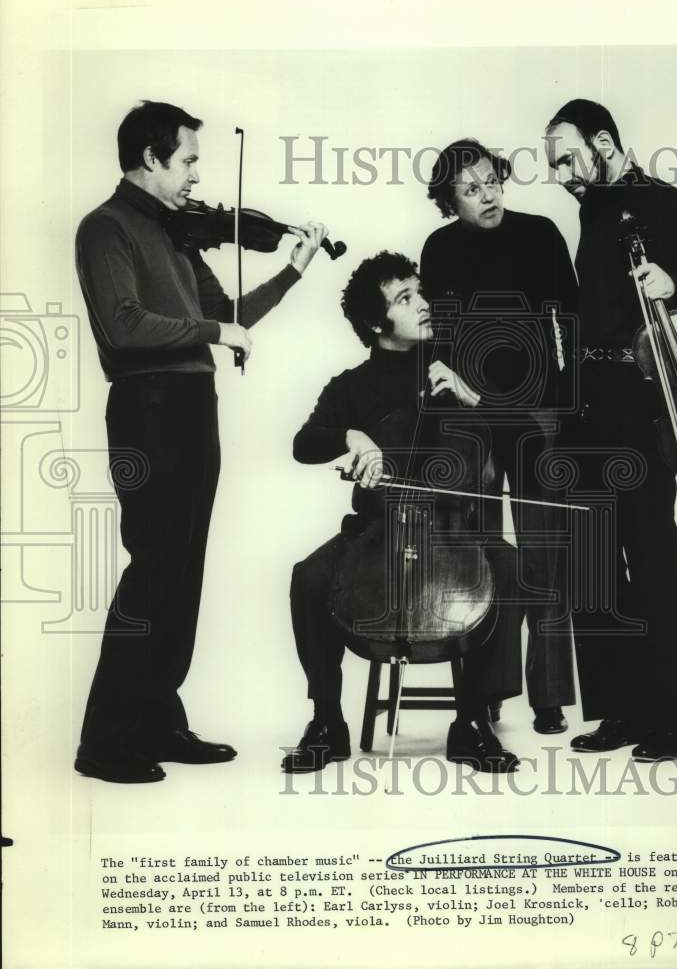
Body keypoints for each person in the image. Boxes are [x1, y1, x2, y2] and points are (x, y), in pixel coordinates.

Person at [74, 101, 328, 783]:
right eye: (187, 160)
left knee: (183, 573)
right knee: (154, 569)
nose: (195, 175)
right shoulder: (105, 227)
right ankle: (105, 741)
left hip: (192, 407)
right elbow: (125, 324)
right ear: (150, 158)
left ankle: (157, 721)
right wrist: (217, 334)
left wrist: (294, 270)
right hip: (147, 408)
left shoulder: (176, 232)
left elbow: (228, 315)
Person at [543, 98, 677, 761]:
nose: (562, 174)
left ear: (604, 143)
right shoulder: (591, 210)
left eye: (568, 158)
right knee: (590, 558)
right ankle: (620, 710)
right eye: (553, 165)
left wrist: (674, 282)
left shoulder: (671, 206)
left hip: (642, 402)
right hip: (588, 401)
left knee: (651, 553)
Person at [282, 251, 524, 774]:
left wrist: (470, 397)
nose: (423, 304)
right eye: (405, 298)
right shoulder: (351, 386)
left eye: (420, 292)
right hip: (377, 529)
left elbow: (517, 431)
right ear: (376, 322)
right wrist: (352, 436)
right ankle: (327, 720)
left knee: (507, 566)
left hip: (454, 530)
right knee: (308, 576)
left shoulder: (454, 365)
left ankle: (473, 721)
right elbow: (303, 443)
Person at [420, 139, 577, 736]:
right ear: (449, 201)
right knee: (482, 558)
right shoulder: (438, 248)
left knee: (545, 557)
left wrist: (568, 403)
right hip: (471, 417)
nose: (488, 195)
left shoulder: (540, 234)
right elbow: (437, 340)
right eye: (471, 189)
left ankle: (549, 697)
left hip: (537, 410)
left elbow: (571, 320)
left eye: (492, 181)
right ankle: (485, 692)